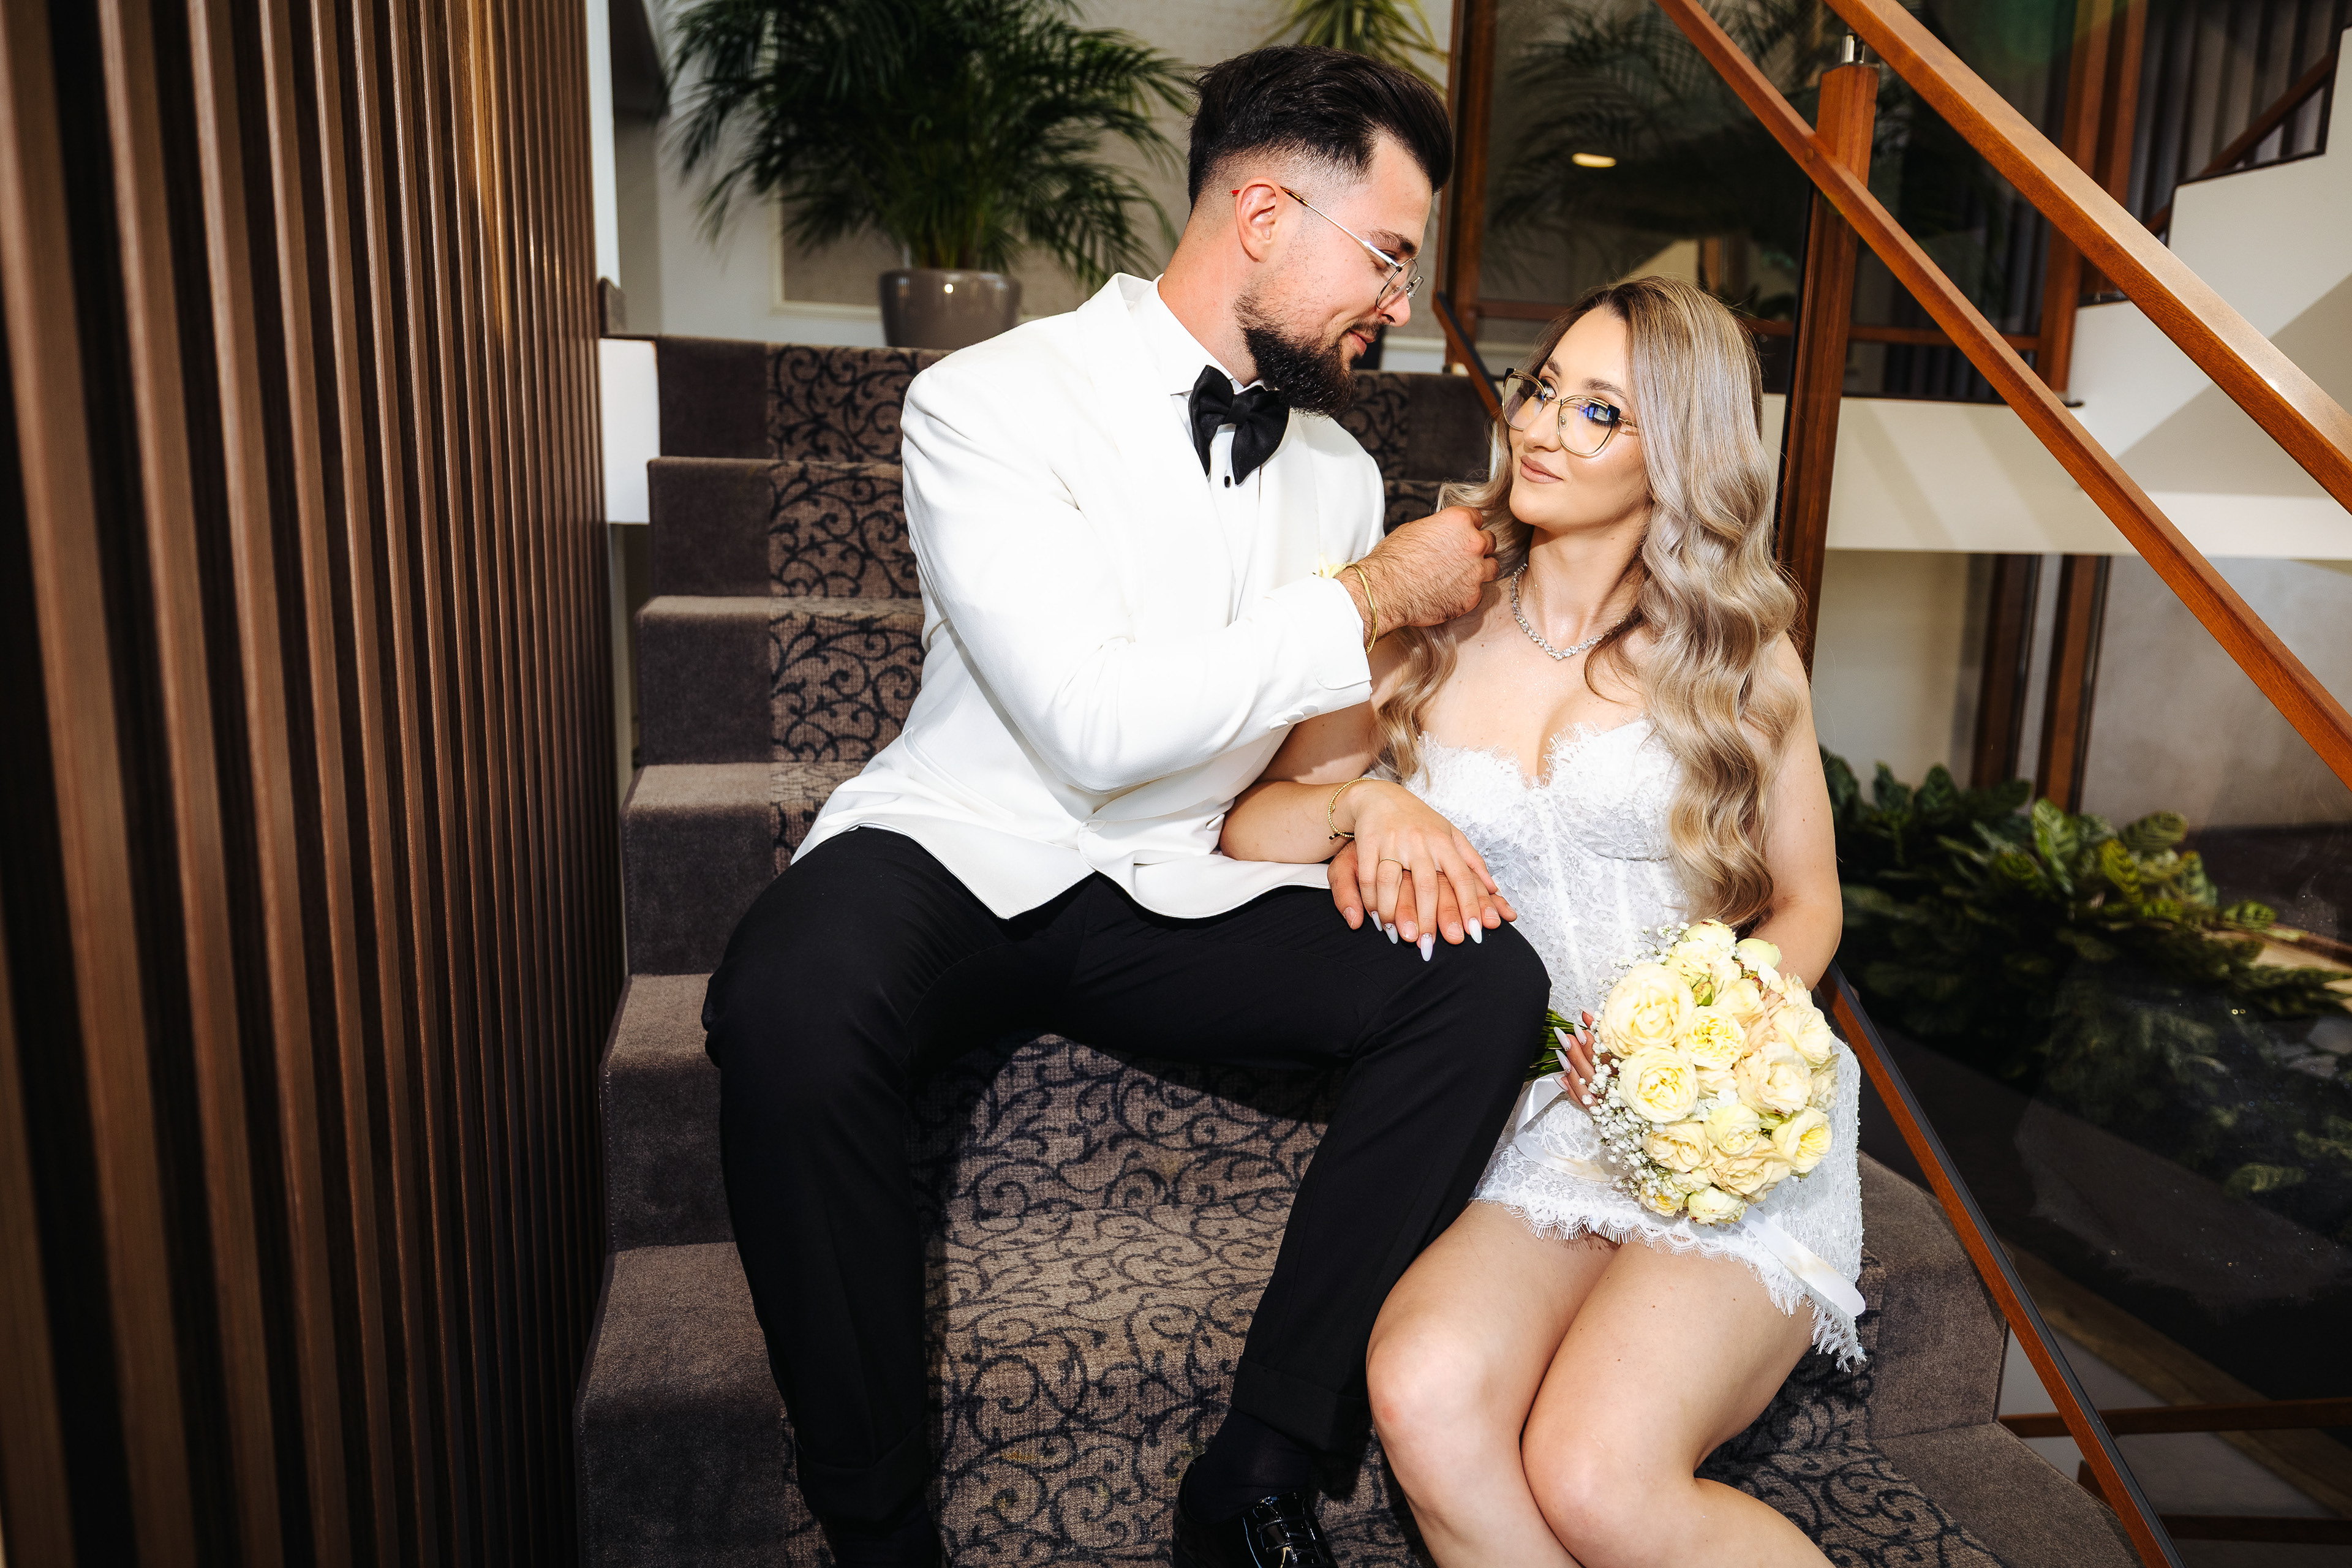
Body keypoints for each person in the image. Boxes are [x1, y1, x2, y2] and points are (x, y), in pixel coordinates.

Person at [699, 45, 1552, 1568]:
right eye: (1387, 255)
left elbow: (1299, 771)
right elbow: (1089, 727)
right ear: (1266, 213)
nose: (1400, 303)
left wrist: (1365, 805)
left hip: (1181, 877)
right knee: (784, 998)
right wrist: (1368, 597)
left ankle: (1257, 1469)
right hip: (961, 844)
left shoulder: (1342, 474)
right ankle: (877, 1526)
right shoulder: (987, 401)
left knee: (1483, 980)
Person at [1219, 275, 1860, 1566]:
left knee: (1595, 1471)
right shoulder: (1431, 618)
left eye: (1599, 410)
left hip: (1721, 1118)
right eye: (1543, 388)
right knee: (1422, 1387)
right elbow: (1252, 825)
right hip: (1537, 1117)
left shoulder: (1740, 653)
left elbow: (1809, 904)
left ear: (1677, 450)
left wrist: (1710, 1044)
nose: (1542, 427)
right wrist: (1368, 805)